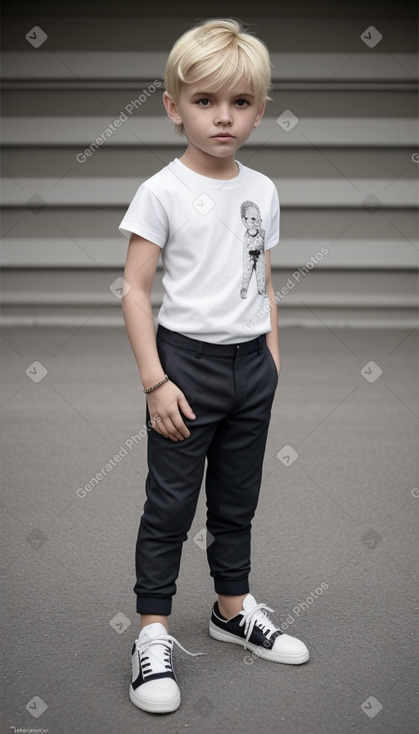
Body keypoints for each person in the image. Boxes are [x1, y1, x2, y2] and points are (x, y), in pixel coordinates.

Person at [119, 17, 309, 715]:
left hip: (250, 368)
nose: (222, 117)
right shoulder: (161, 190)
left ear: (259, 109)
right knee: (169, 506)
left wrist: (271, 358)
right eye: (204, 101)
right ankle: (151, 633)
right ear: (173, 107)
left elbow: (262, 280)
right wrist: (155, 380)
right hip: (184, 370)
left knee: (236, 503)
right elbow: (135, 290)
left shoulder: (261, 189)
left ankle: (232, 611)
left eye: (239, 102)